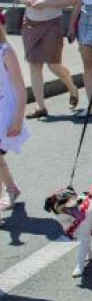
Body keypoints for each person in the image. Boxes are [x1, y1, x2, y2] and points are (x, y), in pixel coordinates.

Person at [17, 0, 77, 119]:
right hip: (30, 22)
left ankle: (72, 86)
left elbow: (70, 0)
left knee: (53, 64)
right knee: (34, 65)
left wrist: (46, 3)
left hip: (52, 22)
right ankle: (40, 106)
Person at [0, 19, 28, 214]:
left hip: (5, 111)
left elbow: (20, 88)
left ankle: (9, 189)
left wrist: (18, 119)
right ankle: (11, 187)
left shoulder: (5, 52)